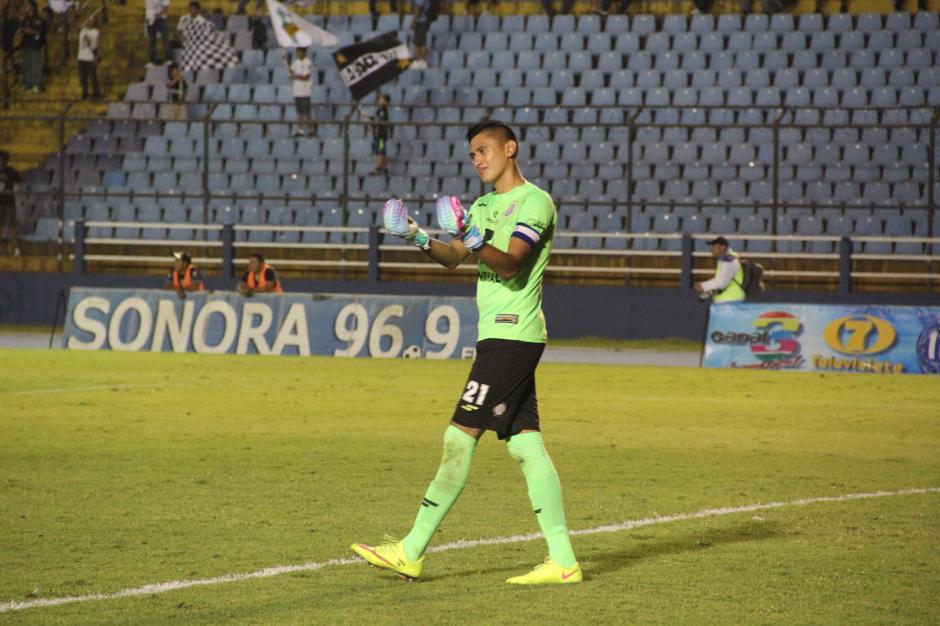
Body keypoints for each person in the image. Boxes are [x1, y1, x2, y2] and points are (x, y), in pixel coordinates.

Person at [351, 120, 582, 586]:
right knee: (525, 444)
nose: (478, 159)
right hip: (501, 336)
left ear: (509, 148)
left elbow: (512, 265)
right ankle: (563, 561)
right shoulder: (483, 205)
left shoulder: (533, 202)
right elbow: (455, 256)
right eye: (472, 153)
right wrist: (415, 235)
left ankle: (412, 550)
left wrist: (476, 238)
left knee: (459, 438)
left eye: (485, 150)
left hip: (512, 335)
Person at [694, 236, 745, 303]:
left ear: (723, 247)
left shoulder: (729, 260)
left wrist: (703, 286)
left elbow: (722, 282)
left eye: (714, 247)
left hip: (730, 301)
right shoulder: (725, 259)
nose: (711, 249)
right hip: (728, 300)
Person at [286, 47, 315, 137]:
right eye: (297, 53)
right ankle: (301, 130)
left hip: (305, 92)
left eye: (299, 53)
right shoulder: (296, 62)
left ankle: (311, 130)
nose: (297, 54)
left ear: (304, 53)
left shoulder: (308, 63)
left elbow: (306, 77)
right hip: (297, 91)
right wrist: (286, 60)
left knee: (307, 112)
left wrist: (295, 77)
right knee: (299, 112)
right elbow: (290, 71)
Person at [19, 1, 46, 92]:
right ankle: (28, 85)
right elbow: (22, 29)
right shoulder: (25, 19)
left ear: (32, 7)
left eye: (27, 6)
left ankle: (36, 84)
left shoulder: (39, 19)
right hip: (26, 45)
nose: (26, 8)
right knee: (27, 65)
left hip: (35, 46)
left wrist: (28, 30)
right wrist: (28, 30)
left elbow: (37, 31)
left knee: (35, 65)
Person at [0, 150, 22, 255]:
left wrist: (22, 198)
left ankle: (16, 249)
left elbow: (20, 183)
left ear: (5, 160)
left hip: (9, 202)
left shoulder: (11, 171)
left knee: (12, 225)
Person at [77, 14, 101, 100]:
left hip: (90, 57)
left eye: (92, 20)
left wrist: (96, 56)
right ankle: (85, 93)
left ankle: (96, 93)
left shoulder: (96, 32)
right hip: (81, 57)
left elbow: (98, 45)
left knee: (93, 77)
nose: (90, 22)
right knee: (83, 78)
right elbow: (76, 23)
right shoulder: (83, 30)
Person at [408, 0, 437, 70]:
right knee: (422, 42)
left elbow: (418, 8)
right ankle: (421, 62)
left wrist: (414, 21)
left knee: (419, 43)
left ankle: (420, 62)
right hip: (424, 21)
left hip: (421, 21)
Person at [368, 93, 390, 175]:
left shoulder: (384, 111)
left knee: (381, 152)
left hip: (381, 136)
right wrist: (370, 119)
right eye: (379, 99)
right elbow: (375, 121)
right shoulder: (378, 111)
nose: (380, 101)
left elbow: (380, 122)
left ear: (387, 102)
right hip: (376, 135)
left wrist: (373, 121)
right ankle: (384, 167)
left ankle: (377, 169)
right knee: (380, 152)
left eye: (382, 100)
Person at [145, 0, 169, 66]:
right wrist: (148, 17)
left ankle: (168, 59)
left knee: (165, 39)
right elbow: (148, 7)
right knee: (152, 40)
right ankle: (152, 61)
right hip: (150, 19)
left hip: (160, 18)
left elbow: (166, 7)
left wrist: (158, 14)